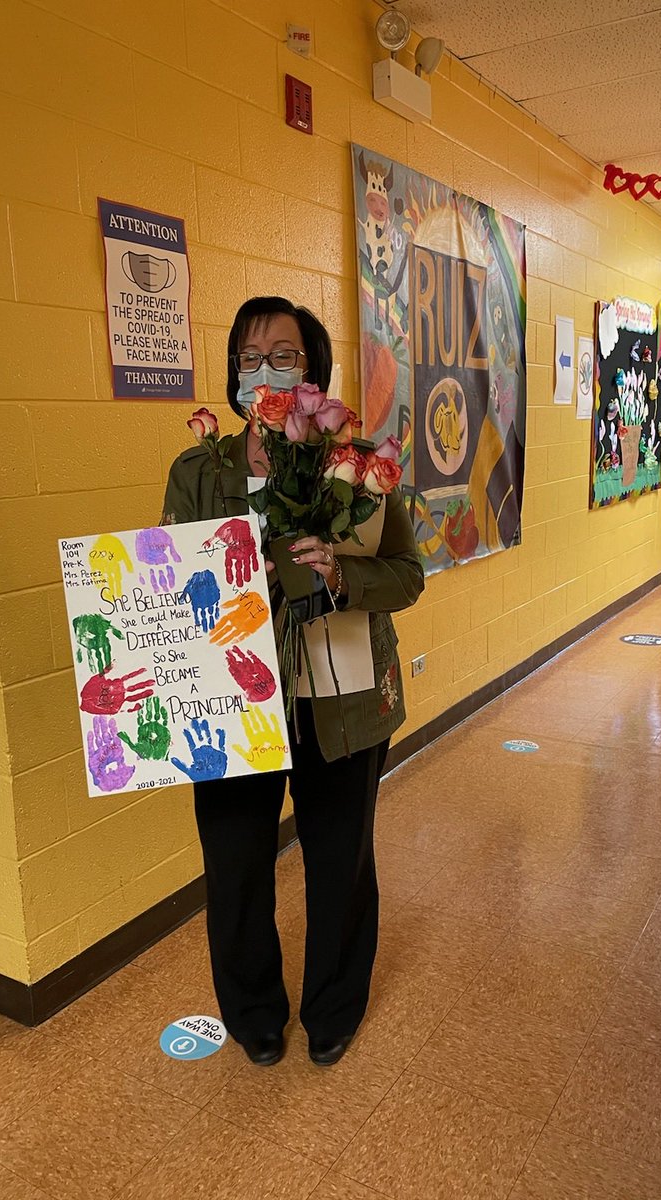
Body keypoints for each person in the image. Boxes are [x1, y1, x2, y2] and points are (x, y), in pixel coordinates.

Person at [161, 296, 424, 1067]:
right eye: (248, 357)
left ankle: (334, 1008)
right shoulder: (197, 473)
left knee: (340, 860)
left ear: (313, 371)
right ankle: (253, 1016)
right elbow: (172, 582)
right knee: (236, 865)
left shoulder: (358, 467)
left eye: (284, 354)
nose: (264, 370)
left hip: (338, 700)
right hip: (231, 704)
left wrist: (343, 571)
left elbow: (407, 575)